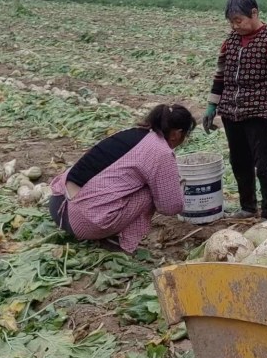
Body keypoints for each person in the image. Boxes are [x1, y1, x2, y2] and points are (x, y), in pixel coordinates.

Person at [48, 103, 196, 253]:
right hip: (82, 221)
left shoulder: (134, 133)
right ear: (176, 134)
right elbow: (170, 207)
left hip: (58, 204)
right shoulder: (160, 151)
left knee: (137, 182)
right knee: (151, 192)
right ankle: (118, 240)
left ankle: (105, 225)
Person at [203, 0, 267, 219]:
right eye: (231, 21)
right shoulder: (230, 41)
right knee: (239, 162)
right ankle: (247, 207)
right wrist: (212, 106)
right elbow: (220, 76)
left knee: (265, 165)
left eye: (238, 20)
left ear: (254, 14)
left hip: (260, 112)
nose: (235, 25)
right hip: (231, 111)